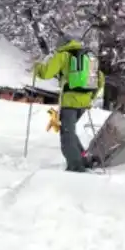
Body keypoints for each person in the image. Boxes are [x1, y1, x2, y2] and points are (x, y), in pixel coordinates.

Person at [32, 32, 105, 173]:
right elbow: (100, 79)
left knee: (67, 134)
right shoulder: (89, 56)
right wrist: (91, 97)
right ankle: (83, 158)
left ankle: (75, 166)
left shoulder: (63, 55)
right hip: (84, 102)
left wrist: (37, 67)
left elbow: (46, 73)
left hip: (69, 101)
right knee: (70, 132)